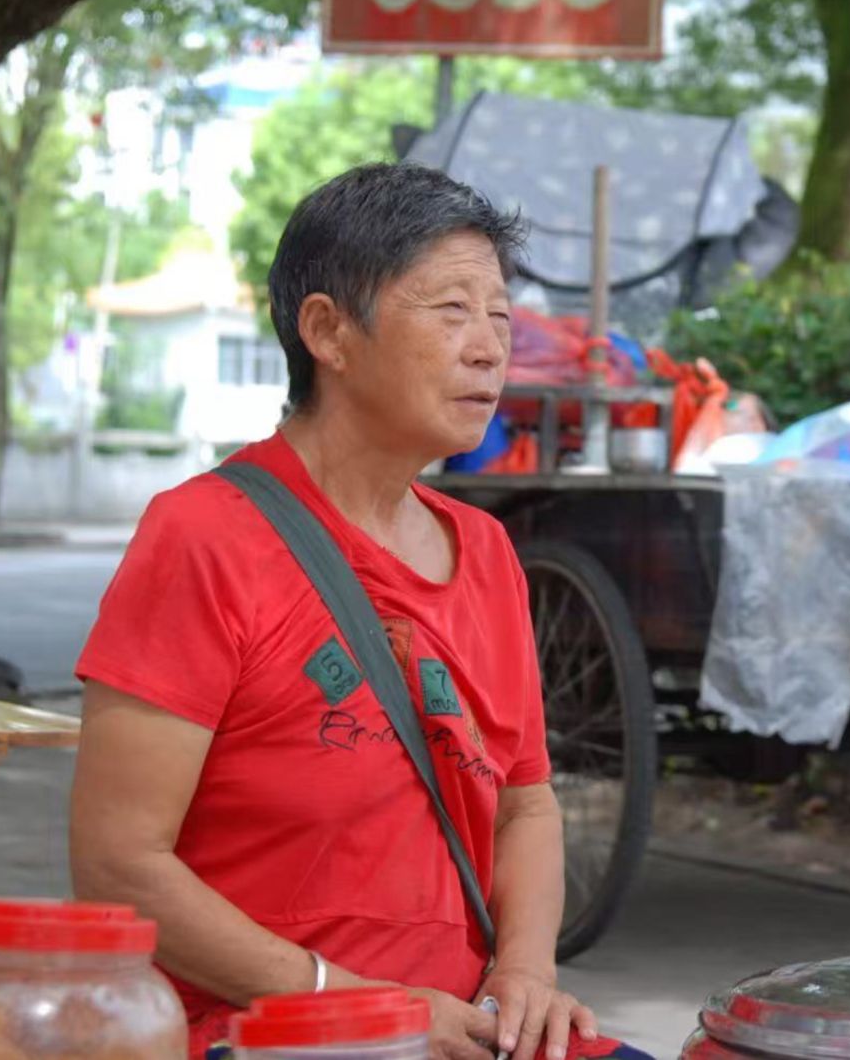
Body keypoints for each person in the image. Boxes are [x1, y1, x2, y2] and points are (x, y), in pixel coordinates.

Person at [70, 164, 595, 1060]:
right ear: (328, 332)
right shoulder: (205, 537)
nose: (489, 348)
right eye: (451, 310)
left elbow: (524, 806)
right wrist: (362, 1008)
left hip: (461, 1029)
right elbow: (118, 865)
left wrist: (524, 974)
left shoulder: (489, 553)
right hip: (262, 1032)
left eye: (501, 316)